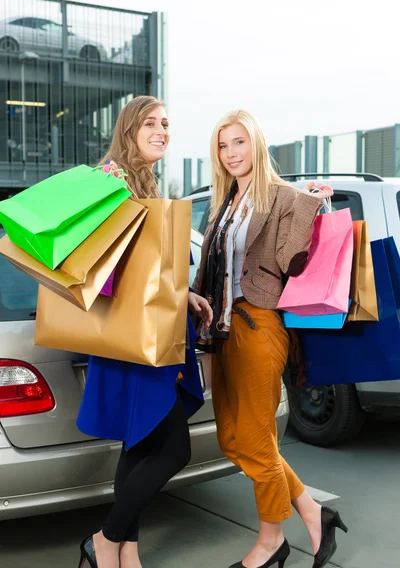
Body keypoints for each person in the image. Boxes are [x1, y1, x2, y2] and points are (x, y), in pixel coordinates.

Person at [190, 109, 348, 568]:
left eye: (238, 142)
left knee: (257, 439)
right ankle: (313, 510)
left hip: (259, 325)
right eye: (223, 145)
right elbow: (209, 269)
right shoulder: (222, 203)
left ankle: (271, 540)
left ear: (255, 144)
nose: (231, 153)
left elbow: (289, 261)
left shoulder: (281, 197)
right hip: (222, 329)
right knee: (233, 440)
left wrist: (310, 205)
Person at [77, 96, 213, 568]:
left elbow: (153, 268)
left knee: (142, 443)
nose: (162, 131)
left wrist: (186, 296)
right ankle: (104, 539)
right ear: (130, 129)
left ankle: (125, 552)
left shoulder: (146, 183)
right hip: (133, 337)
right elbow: (106, 265)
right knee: (173, 449)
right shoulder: (110, 179)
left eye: (167, 124)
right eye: (151, 123)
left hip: (153, 331)